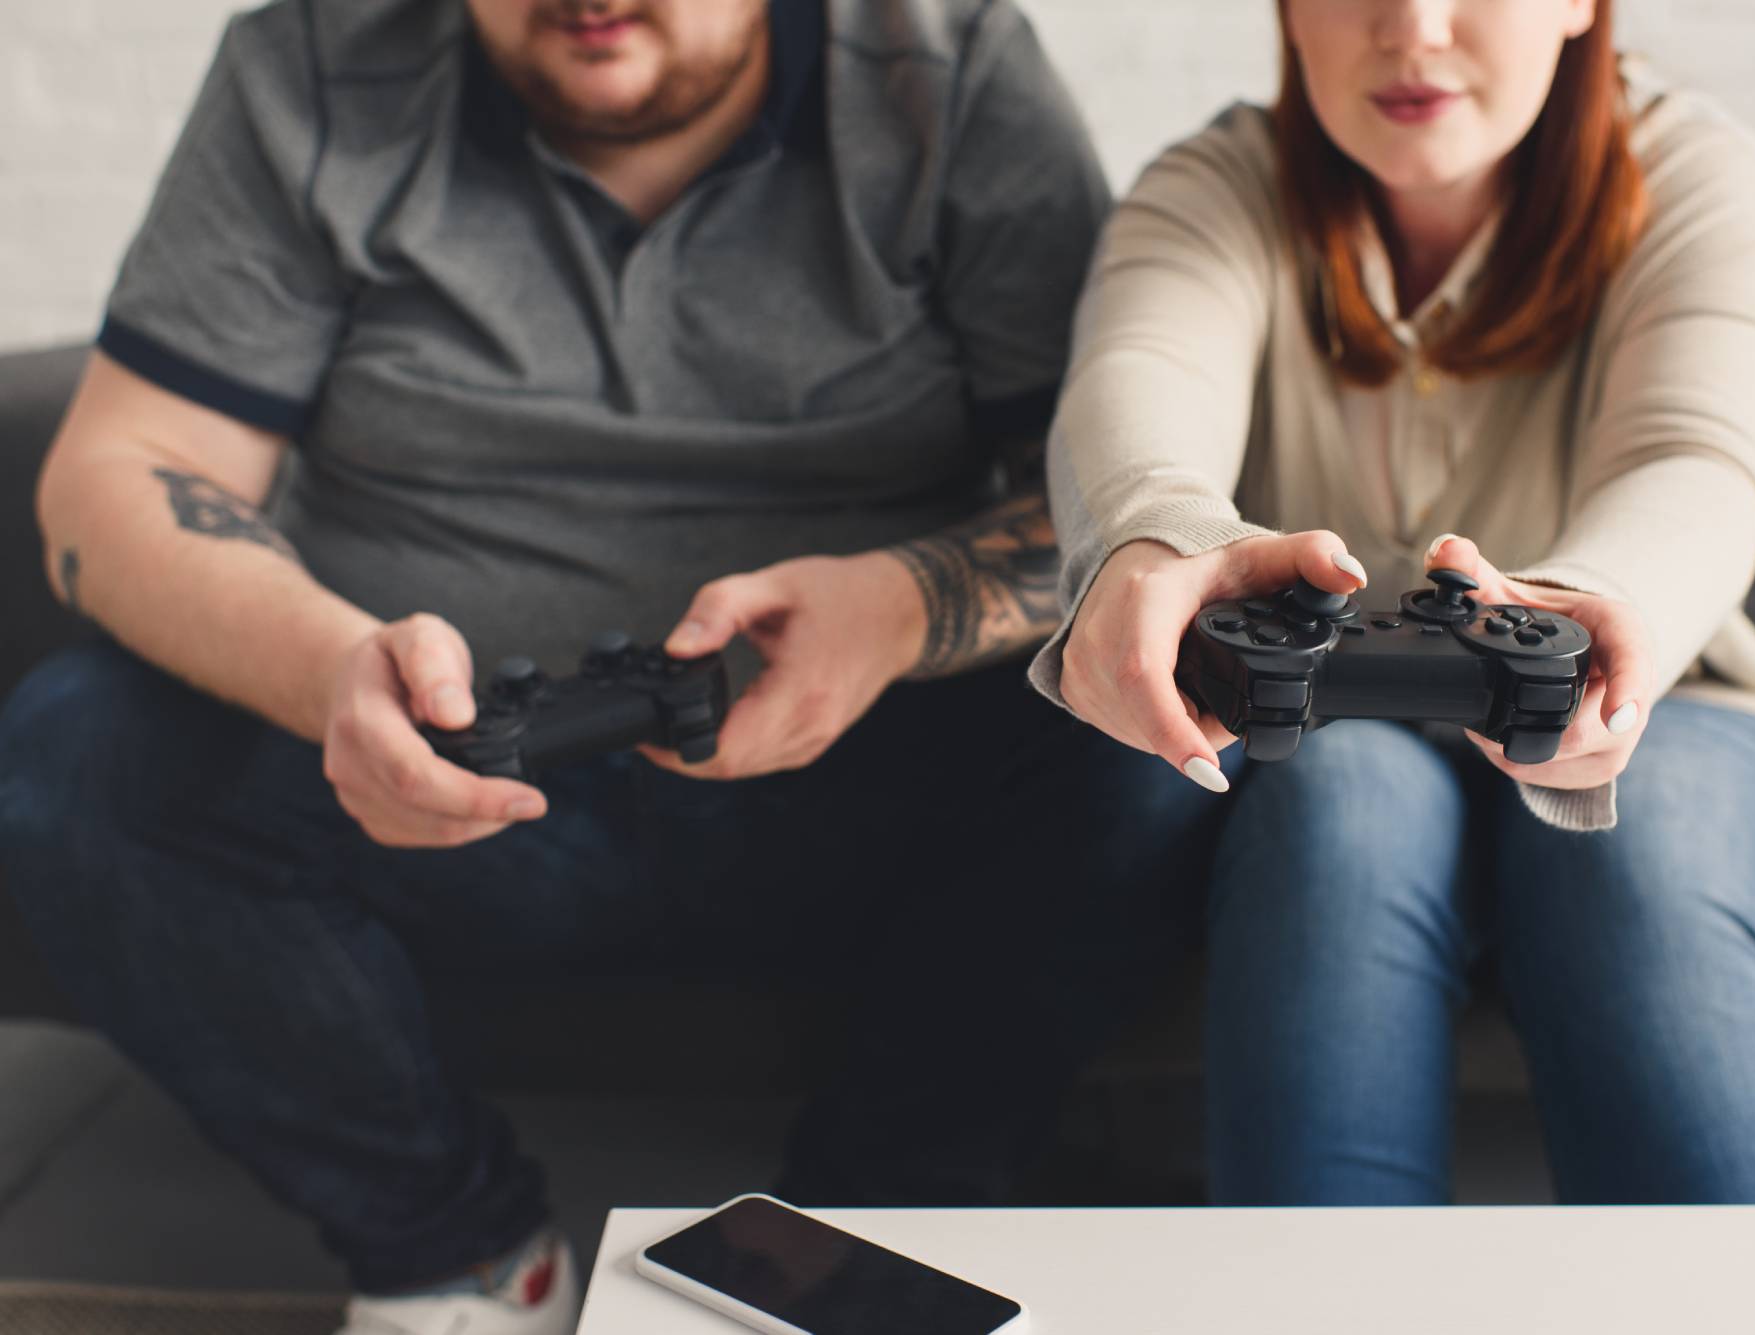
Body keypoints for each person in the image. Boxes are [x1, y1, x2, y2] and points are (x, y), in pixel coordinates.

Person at [0, 2, 1228, 1331]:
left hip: (864, 779)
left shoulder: (951, 66)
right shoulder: (309, 64)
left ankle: (869, 1227)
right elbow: (120, 475)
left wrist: (897, 605)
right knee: (84, 748)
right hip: (433, 784)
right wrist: (329, 672)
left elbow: (1116, 500)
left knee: (1137, 729)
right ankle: (460, 1257)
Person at [1035, 0, 1755, 1206]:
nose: (1410, 29)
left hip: (1683, 700)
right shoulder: (1216, 188)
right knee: (1334, 810)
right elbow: (1140, 377)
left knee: (1635, 848)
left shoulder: (1701, 176)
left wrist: (1588, 603)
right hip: (1348, 731)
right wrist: (1154, 539)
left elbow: (1696, 454)